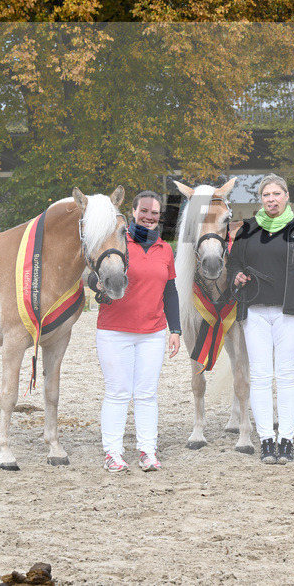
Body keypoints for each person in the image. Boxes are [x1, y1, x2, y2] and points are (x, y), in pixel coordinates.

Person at [228, 174, 294, 465]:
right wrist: (236, 275)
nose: (271, 199)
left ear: (286, 196)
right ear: (261, 199)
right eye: (266, 195)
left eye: (276, 194)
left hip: (289, 312)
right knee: (259, 376)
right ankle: (266, 439)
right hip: (254, 312)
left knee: (286, 375)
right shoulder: (247, 230)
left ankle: (287, 439)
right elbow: (233, 262)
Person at [94, 190, 181, 473]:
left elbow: (170, 291)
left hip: (153, 332)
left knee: (146, 394)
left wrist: (175, 329)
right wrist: (95, 284)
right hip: (115, 330)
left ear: (160, 217)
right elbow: (93, 274)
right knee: (118, 392)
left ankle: (147, 451)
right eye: (144, 211)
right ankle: (113, 453)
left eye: (154, 213)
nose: (149, 217)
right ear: (133, 212)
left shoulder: (165, 250)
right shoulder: (118, 241)